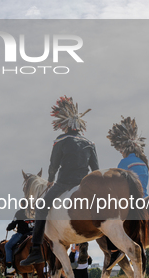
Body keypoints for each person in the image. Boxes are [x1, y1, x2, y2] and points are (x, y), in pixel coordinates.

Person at [22, 96, 99, 266]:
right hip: (83, 184)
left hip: (65, 183)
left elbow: (53, 165)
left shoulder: (61, 140)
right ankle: (86, 244)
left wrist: (50, 180)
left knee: (41, 208)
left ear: (64, 124)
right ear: (78, 125)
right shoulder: (89, 143)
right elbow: (96, 169)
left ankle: (35, 250)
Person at [106, 116, 149, 265]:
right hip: (145, 198)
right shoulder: (143, 162)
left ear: (124, 149)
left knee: (107, 221)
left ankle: (114, 250)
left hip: (130, 201)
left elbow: (117, 184)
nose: (120, 152)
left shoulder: (124, 162)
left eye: (120, 150)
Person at [4, 209, 34, 275]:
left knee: (7, 246)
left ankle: (9, 267)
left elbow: (14, 223)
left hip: (22, 234)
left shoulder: (20, 212)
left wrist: (9, 227)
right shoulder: (34, 211)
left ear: (22, 204)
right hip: (35, 234)